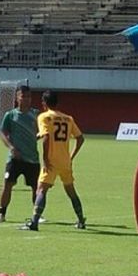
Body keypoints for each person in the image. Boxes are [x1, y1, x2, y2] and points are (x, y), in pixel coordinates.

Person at [22, 90, 86, 231]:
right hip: (65, 161)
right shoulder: (68, 118)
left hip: (51, 160)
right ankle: (81, 220)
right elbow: (80, 138)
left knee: (41, 190)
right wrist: (71, 155)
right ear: (57, 102)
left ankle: (34, 222)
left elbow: (47, 137)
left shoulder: (44, 117)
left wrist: (45, 158)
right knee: (71, 191)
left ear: (44, 103)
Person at [0, 85, 40, 223]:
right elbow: (2, 133)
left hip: (32, 158)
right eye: (23, 96)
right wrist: (11, 147)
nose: (26, 99)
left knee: (36, 187)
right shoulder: (10, 115)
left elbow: (42, 131)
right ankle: (1, 213)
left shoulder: (36, 114)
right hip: (15, 158)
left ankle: (37, 214)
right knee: (7, 184)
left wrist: (38, 136)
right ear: (17, 97)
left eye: (29, 96)